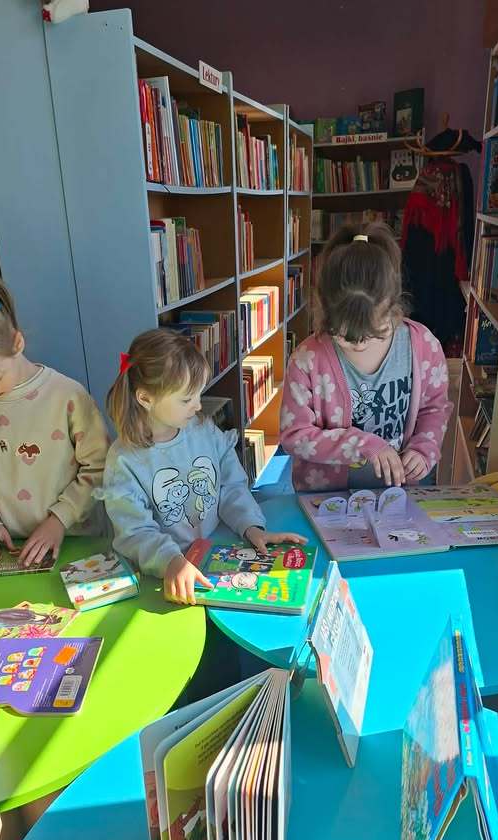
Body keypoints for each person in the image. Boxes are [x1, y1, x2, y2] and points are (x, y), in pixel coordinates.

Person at [96, 328, 306, 605]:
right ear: (145, 398)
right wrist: (172, 561)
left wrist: (251, 527)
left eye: (198, 395)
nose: (197, 406)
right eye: (186, 399)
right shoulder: (124, 461)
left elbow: (231, 486)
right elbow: (134, 532)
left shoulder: (204, 430)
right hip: (168, 575)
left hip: (221, 551)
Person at [0, 265, 109, 566]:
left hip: (79, 540)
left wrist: (59, 520)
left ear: (17, 343)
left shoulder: (67, 396)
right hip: (15, 550)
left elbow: (100, 467)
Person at [280, 222, 452, 492]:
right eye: (343, 334)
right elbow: (295, 436)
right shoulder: (307, 360)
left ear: (394, 306)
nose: (358, 344)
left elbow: (434, 409)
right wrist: (362, 444)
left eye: (372, 333)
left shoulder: (423, 346)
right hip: (327, 498)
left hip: (400, 492)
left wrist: (424, 449)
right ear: (323, 309)